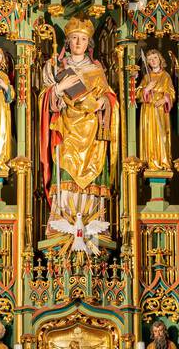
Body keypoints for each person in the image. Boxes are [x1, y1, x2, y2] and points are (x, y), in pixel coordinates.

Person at [38, 18, 120, 239]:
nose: (78, 42)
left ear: (89, 43)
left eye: (83, 39)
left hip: (91, 131)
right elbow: (44, 100)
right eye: (74, 38)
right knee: (65, 170)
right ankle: (61, 226)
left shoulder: (96, 69)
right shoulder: (57, 67)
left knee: (92, 176)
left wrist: (105, 101)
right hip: (66, 130)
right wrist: (57, 89)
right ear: (67, 41)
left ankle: (94, 229)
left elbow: (110, 97)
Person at [137, 49, 175, 172]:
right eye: (150, 59)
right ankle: (150, 161)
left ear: (160, 59)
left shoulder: (166, 76)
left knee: (161, 134)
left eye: (155, 58)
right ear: (147, 62)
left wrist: (164, 99)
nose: (153, 61)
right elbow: (137, 94)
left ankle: (163, 161)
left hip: (160, 110)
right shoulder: (147, 77)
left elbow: (171, 93)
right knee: (150, 134)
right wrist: (146, 89)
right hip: (148, 110)